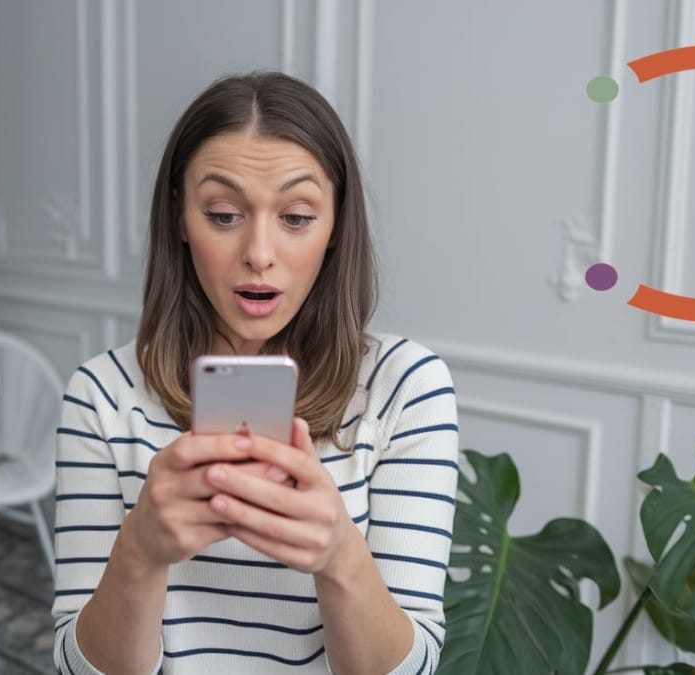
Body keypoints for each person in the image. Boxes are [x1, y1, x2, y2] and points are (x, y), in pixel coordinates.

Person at [51, 71, 459, 675]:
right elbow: (77, 667)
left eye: (296, 217)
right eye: (223, 214)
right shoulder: (101, 396)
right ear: (180, 223)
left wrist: (340, 556)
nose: (259, 252)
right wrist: (139, 553)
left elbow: (413, 668)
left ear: (336, 229)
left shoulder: (405, 388)